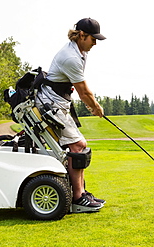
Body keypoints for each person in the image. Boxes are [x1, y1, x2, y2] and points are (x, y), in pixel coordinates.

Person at [36, 18, 106, 212]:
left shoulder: (80, 52)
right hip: (50, 105)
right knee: (77, 146)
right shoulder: (71, 57)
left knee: (80, 146)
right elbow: (84, 92)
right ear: (82, 35)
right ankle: (77, 198)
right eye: (93, 38)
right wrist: (96, 108)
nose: (95, 43)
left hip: (60, 104)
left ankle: (81, 193)